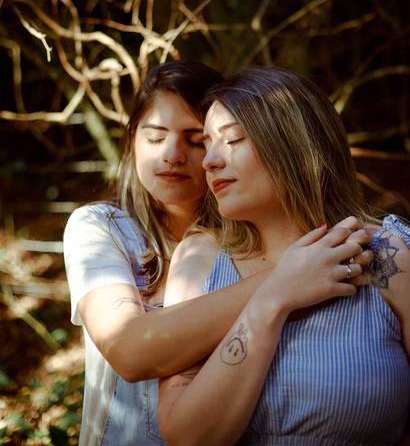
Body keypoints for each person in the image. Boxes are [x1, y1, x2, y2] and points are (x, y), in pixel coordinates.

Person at [64, 61, 372, 446]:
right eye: (155, 137)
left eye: (196, 140)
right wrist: (285, 279)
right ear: (132, 141)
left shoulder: (251, 241)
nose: (173, 154)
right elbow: (128, 350)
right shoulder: (102, 228)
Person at [158, 66, 410, 445]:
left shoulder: (388, 254)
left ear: (294, 143)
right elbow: (187, 436)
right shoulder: (199, 261)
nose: (208, 160)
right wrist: (272, 299)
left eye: (233, 139)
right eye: (207, 143)